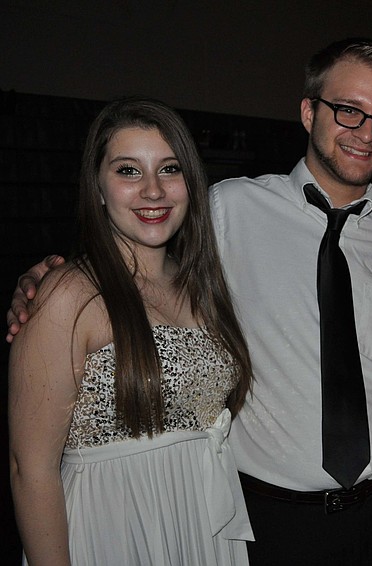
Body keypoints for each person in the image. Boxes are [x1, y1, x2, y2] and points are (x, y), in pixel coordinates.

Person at [6, 38, 372, 566]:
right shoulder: (229, 208)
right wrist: (42, 282)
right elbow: (135, 247)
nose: (365, 132)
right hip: (273, 519)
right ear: (308, 111)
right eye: (348, 110)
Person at [8, 97, 254, 565]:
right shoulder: (70, 294)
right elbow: (30, 469)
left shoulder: (203, 288)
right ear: (97, 187)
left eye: (169, 169)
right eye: (128, 171)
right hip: (112, 527)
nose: (154, 191)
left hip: (202, 521)